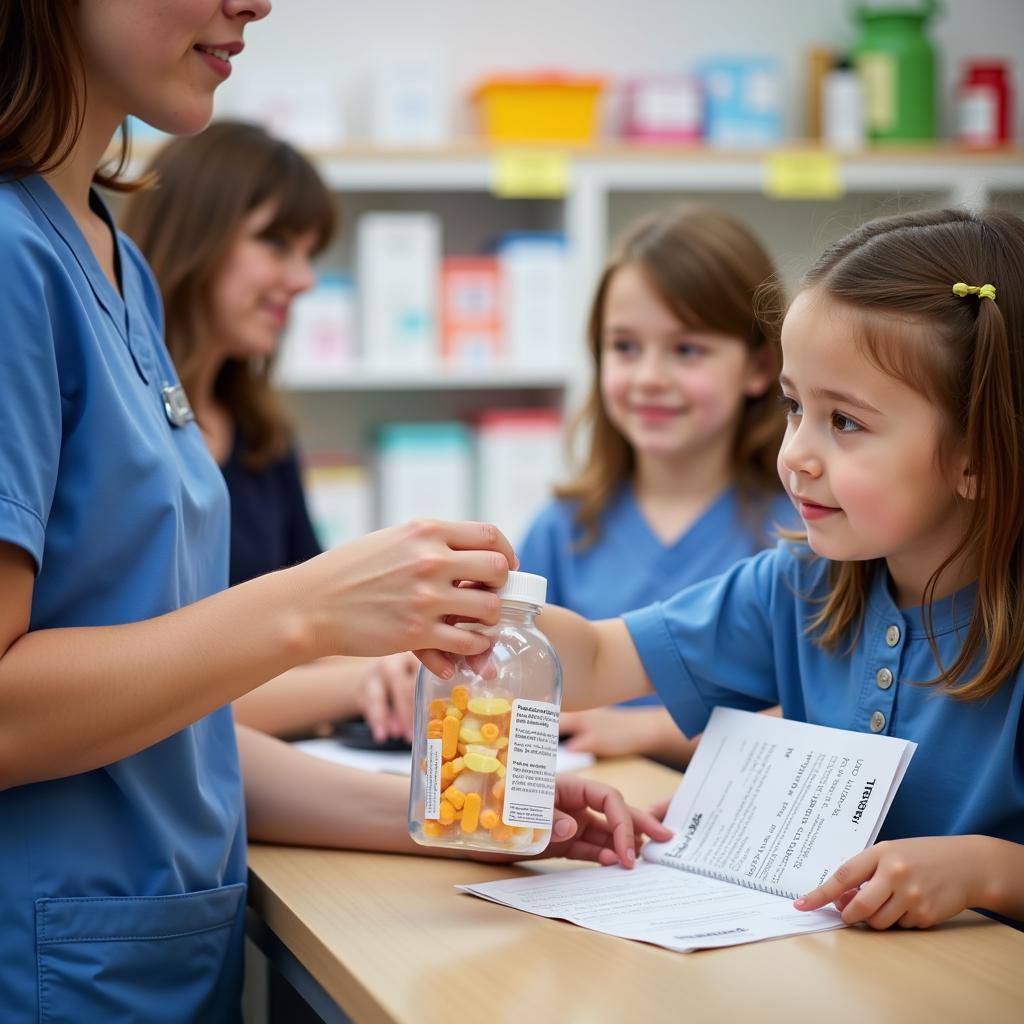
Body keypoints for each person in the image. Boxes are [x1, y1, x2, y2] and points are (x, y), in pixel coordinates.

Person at [0, 4, 668, 1019]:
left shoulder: (108, 259)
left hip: (147, 959)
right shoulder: (11, 259)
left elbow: (172, 741)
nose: (256, 1)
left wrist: (464, 813)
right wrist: (306, 612)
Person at [501, 207, 1024, 930]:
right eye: (793, 407)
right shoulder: (799, 584)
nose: (796, 455)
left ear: (979, 455)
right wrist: (474, 613)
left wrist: (990, 870)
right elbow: (594, 657)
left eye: (844, 422)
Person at [121, 121, 419, 743]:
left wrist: (396, 663)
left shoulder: (262, 441)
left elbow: (321, 629)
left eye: (309, 253)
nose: (306, 279)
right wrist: (353, 683)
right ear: (193, 236)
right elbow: (134, 701)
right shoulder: (116, 431)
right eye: (276, 244)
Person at [519, 206, 792, 766]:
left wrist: (651, 730)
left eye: (687, 349)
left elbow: (830, 711)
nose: (648, 378)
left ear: (760, 366)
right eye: (624, 347)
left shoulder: (803, 530)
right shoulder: (564, 530)